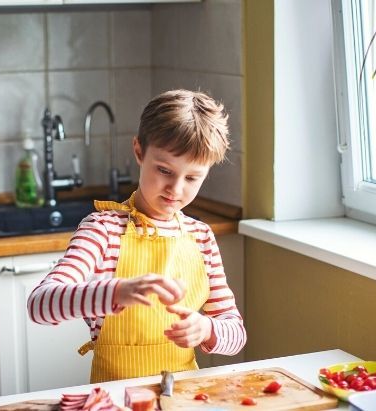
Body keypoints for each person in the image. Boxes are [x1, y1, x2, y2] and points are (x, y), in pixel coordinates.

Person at [27, 89, 247, 383]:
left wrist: (207, 329)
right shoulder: (103, 230)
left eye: (192, 178)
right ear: (139, 151)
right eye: (164, 170)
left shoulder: (202, 238)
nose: (176, 189)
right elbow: (40, 305)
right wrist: (115, 292)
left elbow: (236, 333)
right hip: (115, 400)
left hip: (183, 397)